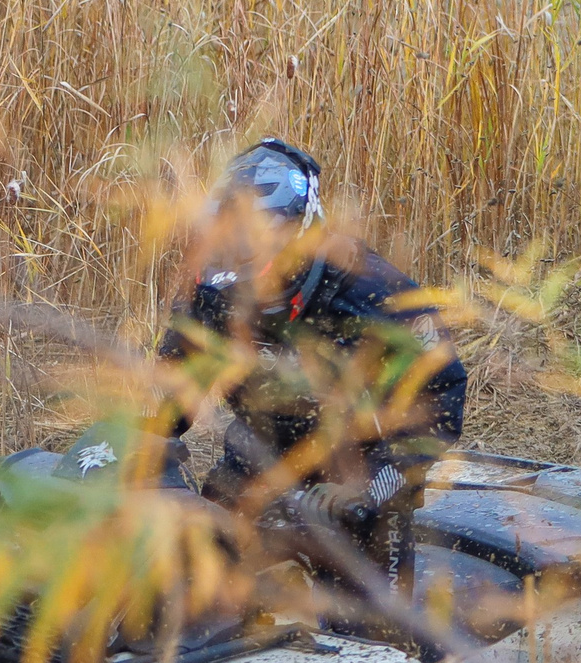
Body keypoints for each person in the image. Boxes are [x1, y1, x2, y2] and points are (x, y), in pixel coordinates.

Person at [155, 139, 466, 597]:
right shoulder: (213, 290)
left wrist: (374, 483)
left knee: (371, 637)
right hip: (254, 461)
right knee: (188, 596)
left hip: (357, 476)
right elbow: (173, 381)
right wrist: (143, 445)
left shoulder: (372, 291)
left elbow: (439, 394)